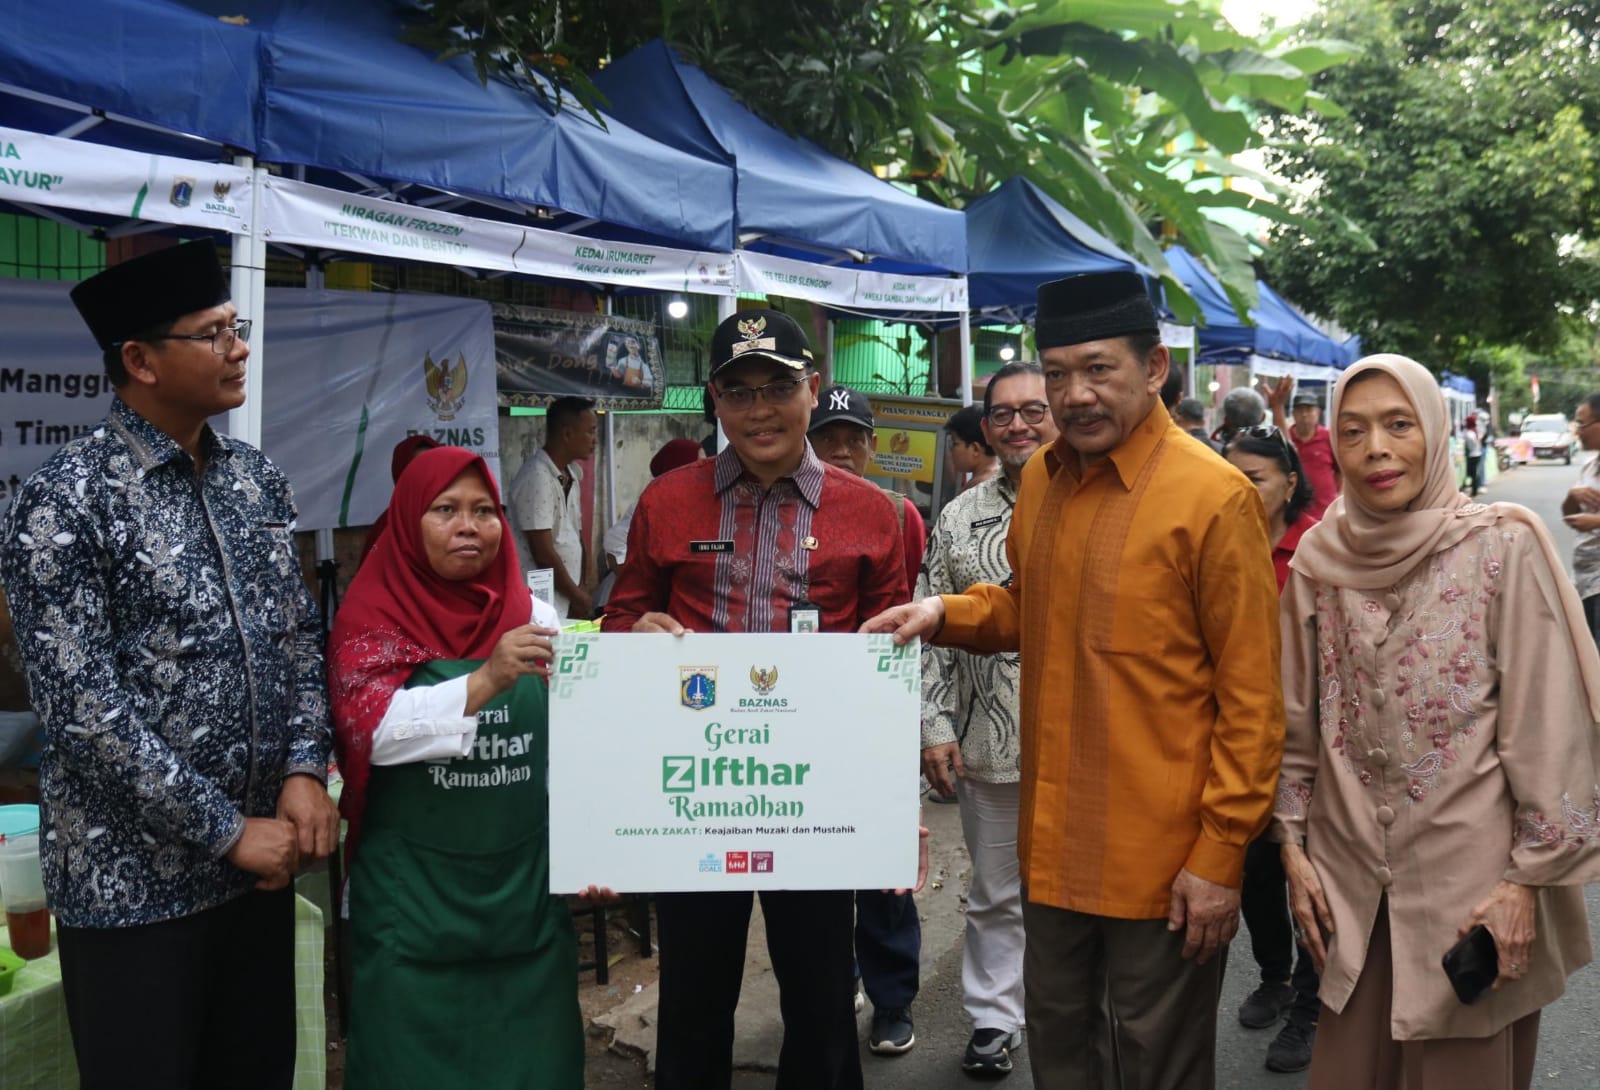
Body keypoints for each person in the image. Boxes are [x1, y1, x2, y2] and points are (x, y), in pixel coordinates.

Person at [864, 270, 1284, 1090]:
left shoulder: (1214, 498)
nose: (1074, 394)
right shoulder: (1048, 480)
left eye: (1098, 369)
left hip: (1161, 860)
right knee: (1060, 1052)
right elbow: (1032, 606)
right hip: (1050, 845)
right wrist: (943, 614)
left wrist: (1220, 853)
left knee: (1156, 1061)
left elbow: (1255, 701)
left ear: (1155, 367)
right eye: (1057, 373)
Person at [0, 239, 338, 1090]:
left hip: (258, 872)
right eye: (215, 333)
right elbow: (83, 715)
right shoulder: (64, 500)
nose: (241, 348)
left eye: (238, 326)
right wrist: (226, 831)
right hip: (132, 894)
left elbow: (297, 636)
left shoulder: (255, 481)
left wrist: (303, 767)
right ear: (140, 360)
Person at [1274, 354, 1600, 1090]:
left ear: (1433, 431)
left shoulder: (1500, 544)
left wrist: (1526, 884)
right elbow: (1294, 716)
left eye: (1398, 425)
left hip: (1474, 883)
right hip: (1348, 870)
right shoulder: (1319, 561)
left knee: (1461, 1062)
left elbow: (1546, 722)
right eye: (1352, 432)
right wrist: (1291, 848)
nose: (1376, 450)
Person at [604, 308, 908, 1090]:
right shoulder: (667, 503)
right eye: (738, 392)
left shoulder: (873, 514)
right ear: (713, 400)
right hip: (699, 786)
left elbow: (895, 664)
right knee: (696, 991)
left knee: (819, 994)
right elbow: (618, 617)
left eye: (777, 387)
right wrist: (636, 632)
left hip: (815, 790)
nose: (759, 409)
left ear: (813, 389)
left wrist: (889, 807)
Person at [329, 446, 597, 1089]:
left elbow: (577, 737)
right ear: (408, 522)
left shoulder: (531, 616)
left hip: (523, 910)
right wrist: (485, 680)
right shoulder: (371, 616)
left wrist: (598, 843)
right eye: (445, 510)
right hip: (414, 918)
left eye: (483, 510)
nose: (469, 526)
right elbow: (367, 732)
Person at [919, 360, 1059, 1077]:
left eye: (1034, 409)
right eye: (1003, 413)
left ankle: (1074, 1016)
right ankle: (994, 1020)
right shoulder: (959, 515)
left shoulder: (1090, 497)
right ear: (986, 425)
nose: (1017, 424)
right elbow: (933, 623)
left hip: (1084, 747)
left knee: (1081, 894)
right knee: (996, 892)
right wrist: (934, 724)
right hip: (990, 740)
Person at [808, 384, 926, 1056]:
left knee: (883, 865)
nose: (844, 450)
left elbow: (910, 618)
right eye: (830, 438)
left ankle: (892, 999)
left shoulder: (898, 515)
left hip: (875, 711)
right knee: (821, 855)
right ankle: (838, 979)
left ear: (874, 445)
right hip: (804, 715)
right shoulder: (786, 511)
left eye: (855, 437)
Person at [1221, 425, 1322, 1072]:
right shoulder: (1218, 540)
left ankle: (1314, 1005)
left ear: (1289, 482)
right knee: (1255, 870)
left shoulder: (1319, 546)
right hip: (1241, 741)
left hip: (1313, 746)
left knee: (1312, 874)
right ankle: (1274, 975)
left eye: (1253, 478)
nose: (1240, 490)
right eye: (1231, 477)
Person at [508, 396, 597, 619]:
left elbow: (577, 538)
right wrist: (577, 595)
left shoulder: (571, 474)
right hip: (540, 606)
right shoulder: (537, 476)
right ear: (567, 434)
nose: (595, 440)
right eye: (591, 431)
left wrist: (582, 586)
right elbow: (543, 553)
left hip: (565, 602)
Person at [603, 437, 703, 572]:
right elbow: (614, 542)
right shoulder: (651, 505)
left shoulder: (698, 505)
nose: (705, 471)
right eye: (699, 464)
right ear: (680, 468)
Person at [1261, 378, 1341, 519]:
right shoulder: (1287, 436)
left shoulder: (1329, 437)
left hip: (1324, 512)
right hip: (1295, 512)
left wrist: (1338, 494)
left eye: (1309, 410)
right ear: (1293, 414)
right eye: (1300, 410)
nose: (1304, 415)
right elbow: (1283, 442)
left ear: (1318, 413)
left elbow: (1341, 470)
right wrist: (1277, 407)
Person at [357, 433, 441, 564]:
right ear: (401, 473)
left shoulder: (456, 517)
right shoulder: (386, 527)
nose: (428, 475)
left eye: (434, 466)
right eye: (419, 468)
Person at [1562, 392, 1600, 647]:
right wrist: (1572, 496)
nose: (1577, 431)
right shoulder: (1589, 466)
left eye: (1581, 424)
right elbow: (1569, 515)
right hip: (1585, 582)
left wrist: (1596, 523)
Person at [944, 404, 999, 491]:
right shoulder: (1000, 478)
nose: (951, 450)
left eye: (954, 443)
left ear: (975, 449)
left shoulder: (977, 488)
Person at [1462, 414, 1484, 497]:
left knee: (1472, 473)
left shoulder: (1470, 433)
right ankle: (1475, 489)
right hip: (1476, 454)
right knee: (1474, 473)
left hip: (1473, 455)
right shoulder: (1474, 431)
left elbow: (1473, 442)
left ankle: (1474, 490)